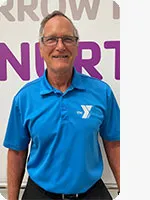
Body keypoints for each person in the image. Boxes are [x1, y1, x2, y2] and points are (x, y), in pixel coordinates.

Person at [3, 10, 120, 200]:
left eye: (67, 39)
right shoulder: (24, 98)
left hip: (91, 193)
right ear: (40, 48)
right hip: (40, 194)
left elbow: (114, 143)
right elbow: (16, 152)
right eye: (51, 39)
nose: (60, 46)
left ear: (76, 46)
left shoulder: (101, 92)